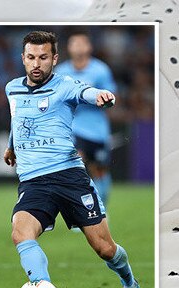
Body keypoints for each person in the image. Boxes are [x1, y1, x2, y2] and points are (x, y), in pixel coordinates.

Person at [2, 31, 146, 288]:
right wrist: (11, 146)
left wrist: (100, 96)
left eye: (43, 57)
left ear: (54, 58)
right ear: (23, 58)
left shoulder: (65, 84)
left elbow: (85, 92)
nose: (37, 64)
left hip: (69, 176)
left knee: (105, 249)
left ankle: (130, 285)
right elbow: (18, 119)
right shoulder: (12, 89)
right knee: (21, 234)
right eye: (31, 57)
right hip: (33, 181)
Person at [55, 31, 117, 205]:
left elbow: (111, 97)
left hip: (97, 129)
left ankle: (102, 207)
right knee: (76, 168)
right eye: (74, 43)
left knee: (100, 172)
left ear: (89, 47)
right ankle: (79, 210)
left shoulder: (101, 70)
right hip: (73, 129)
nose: (78, 47)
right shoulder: (61, 72)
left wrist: (93, 99)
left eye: (82, 43)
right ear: (69, 47)